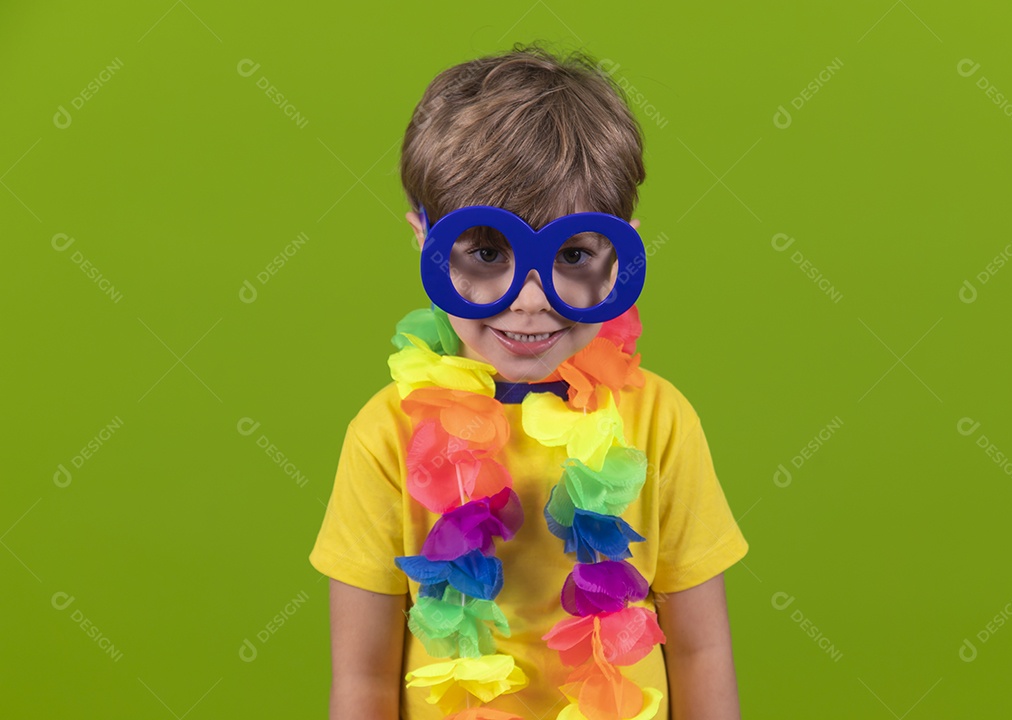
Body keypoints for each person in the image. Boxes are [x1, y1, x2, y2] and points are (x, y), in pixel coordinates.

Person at [308, 42, 749, 720]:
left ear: (619, 254)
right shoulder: (386, 435)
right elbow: (363, 680)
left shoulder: (658, 421)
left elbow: (700, 652)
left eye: (572, 254)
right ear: (424, 242)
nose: (532, 298)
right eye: (487, 252)